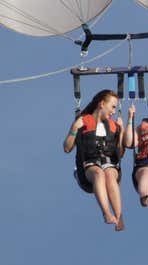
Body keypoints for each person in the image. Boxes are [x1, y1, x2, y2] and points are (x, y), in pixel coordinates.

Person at [63, 89, 126, 231]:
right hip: (89, 167)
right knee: (99, 173)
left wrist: (121, 133)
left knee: (109, 173)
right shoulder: (83, 121)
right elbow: (67, 148)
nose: (114, 112)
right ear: (102, 104)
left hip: (109, 163)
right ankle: (106, 213)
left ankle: (119, 216)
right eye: (113, 107)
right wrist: (74, 128)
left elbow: (120, 154)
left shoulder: (114, 126)